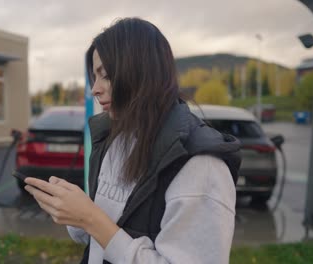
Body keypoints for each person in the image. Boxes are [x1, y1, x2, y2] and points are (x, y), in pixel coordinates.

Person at [24, 17, 241, 264]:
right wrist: (73, 212)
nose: (95, 89)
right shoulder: (114, 139)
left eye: (104, 75)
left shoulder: (201, 166)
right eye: (93, 77)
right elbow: (101, 238)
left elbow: (103, 228)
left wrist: (91, 218)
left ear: (141, 73)